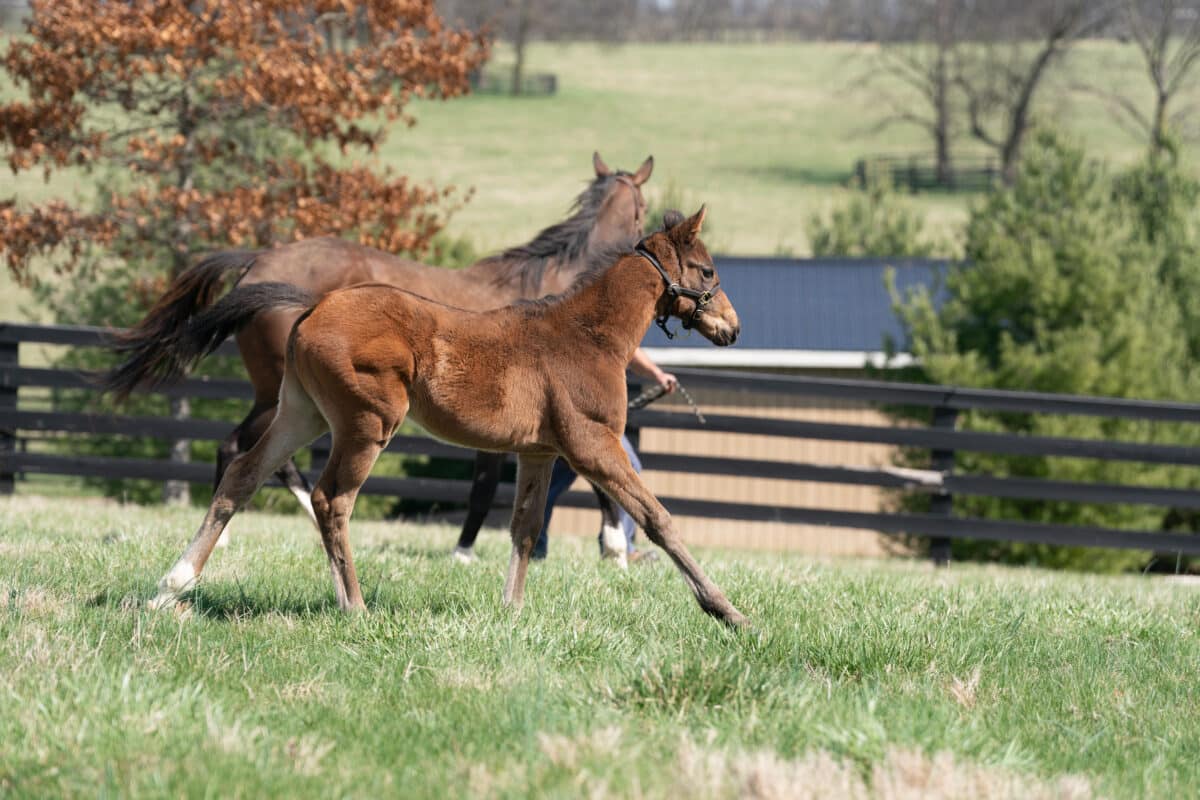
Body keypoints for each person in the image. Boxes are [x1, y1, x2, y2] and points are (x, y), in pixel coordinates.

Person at [531, 347, 677, 563]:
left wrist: (657, 374)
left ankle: (535, 548)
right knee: (624, 472)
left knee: (549, 482)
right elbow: (628, 348)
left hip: (579, 414)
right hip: (579, 414)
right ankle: (620, 549)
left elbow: (628, 347)